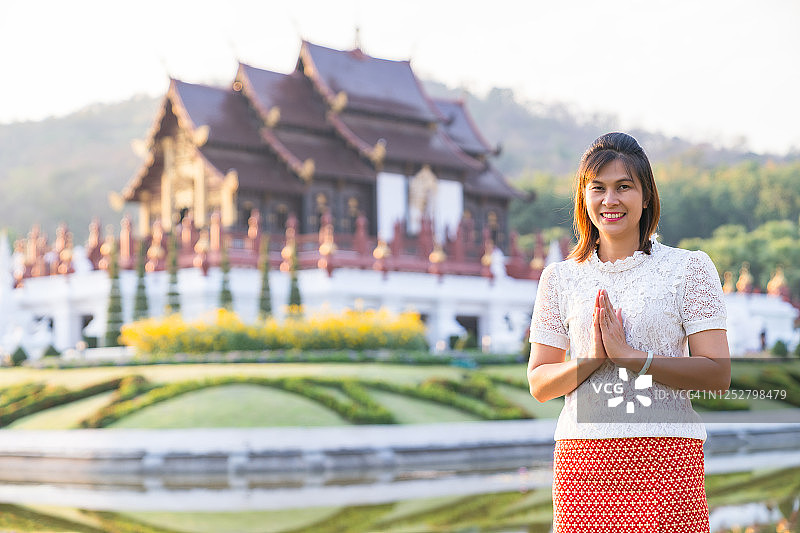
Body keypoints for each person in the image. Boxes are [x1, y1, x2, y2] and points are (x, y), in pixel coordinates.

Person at [527, 132, 730, 532]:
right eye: (597, 188)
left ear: (647, 195)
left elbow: (718, 374)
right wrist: (593, 361)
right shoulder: (560, 278)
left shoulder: (688, 269)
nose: (610, 200)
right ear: (583, 198)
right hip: (583, 466)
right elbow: (540, 382)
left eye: (624, 187)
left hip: (667, 461)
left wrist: (633, 358)